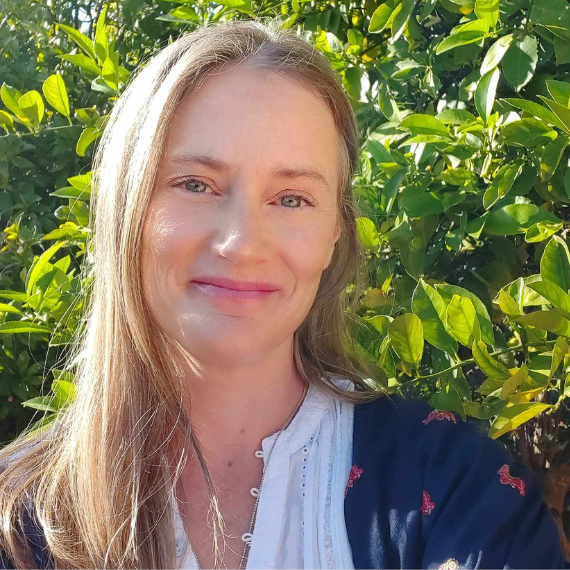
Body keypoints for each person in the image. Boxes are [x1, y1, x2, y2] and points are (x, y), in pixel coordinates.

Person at [0, 19, 567, 570]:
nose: (243, 243)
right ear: (125, 212)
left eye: (292, 198)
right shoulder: (18, 517)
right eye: (195, 184)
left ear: (334, 234)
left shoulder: (457, 494)